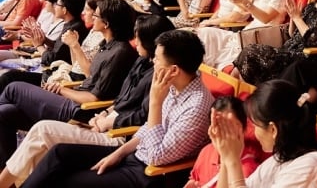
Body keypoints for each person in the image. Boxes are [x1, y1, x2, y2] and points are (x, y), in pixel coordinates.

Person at [20, 30, 214, 188]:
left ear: (173, 70)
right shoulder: (176, 84)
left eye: (157, 59)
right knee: (59, 153)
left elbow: (156, 157)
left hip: (149, 174)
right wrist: (118, 153)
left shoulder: (196, 107)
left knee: (65, 180)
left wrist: (155, 102)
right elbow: (147, 130)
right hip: (134, 155)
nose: (153, 62)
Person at [0, 14, 173, 188]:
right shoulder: (140, 61)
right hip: (98, 115)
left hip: (117, 134)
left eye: (138, 37)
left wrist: (108, 121)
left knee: (23, 102)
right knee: (9, 113)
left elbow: (143, 117)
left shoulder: (156, 75)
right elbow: (119, 98)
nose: (134, 40)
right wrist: (104, 114)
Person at [0, 0, 138, 166]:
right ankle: (6, 172)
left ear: (106, 23)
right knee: (5, 112)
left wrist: (62, 89)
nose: (90, 16)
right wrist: (74, 46)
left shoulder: (120, 52)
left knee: (13, 86)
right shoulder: (107, 45)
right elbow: (90, 74)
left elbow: (94, 98)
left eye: (95, 15)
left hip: (81, 109)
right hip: (75, 96)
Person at [208, 79, 317, 188]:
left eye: (255, 125)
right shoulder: (279, 159)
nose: (254, 132)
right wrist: (226, 157)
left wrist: (233, 161)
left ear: (273, 130)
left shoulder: (311, 166)